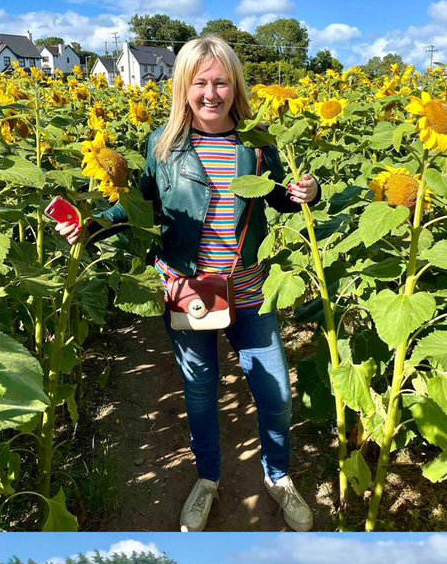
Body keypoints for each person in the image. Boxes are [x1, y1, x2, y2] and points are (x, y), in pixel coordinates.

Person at [57, 35, 321, 532]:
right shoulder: (163, 145)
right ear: (184, 87)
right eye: (200, 82)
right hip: (190, 289)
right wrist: (89, 226)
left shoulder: (256, 143)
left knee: (277, 391)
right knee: (200, 389)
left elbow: (283, 198)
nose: (211, 93)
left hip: (250, 286)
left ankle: (279, 476)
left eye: (221, 82)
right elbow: (136, 207)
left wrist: (308, 190)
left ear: (235, 86)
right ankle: (208, 479)